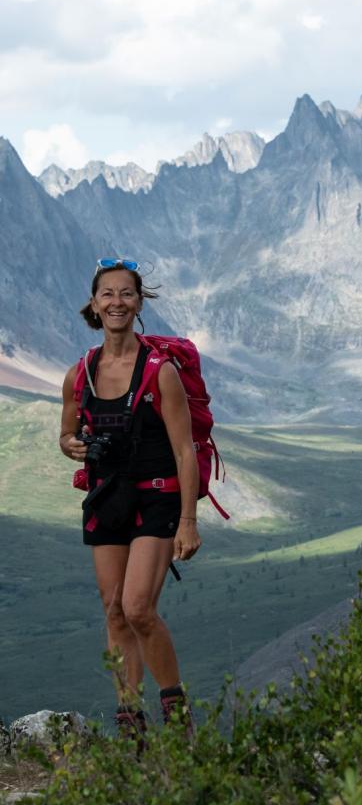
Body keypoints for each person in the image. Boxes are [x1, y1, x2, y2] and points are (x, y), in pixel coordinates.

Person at [59, 258, 201, 738]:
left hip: (158, 499)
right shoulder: (80, 373)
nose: (117, 302)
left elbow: (185, 450)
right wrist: (72, 445)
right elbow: (65, 436)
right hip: (108, 498)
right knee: (114, 608)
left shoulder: (160, 372)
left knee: (139, 607)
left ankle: (175, 712)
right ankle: (130, 721)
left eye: (126, 294)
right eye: (108, 294)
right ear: (95, 305)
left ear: (139, 303)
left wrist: (188, 521)